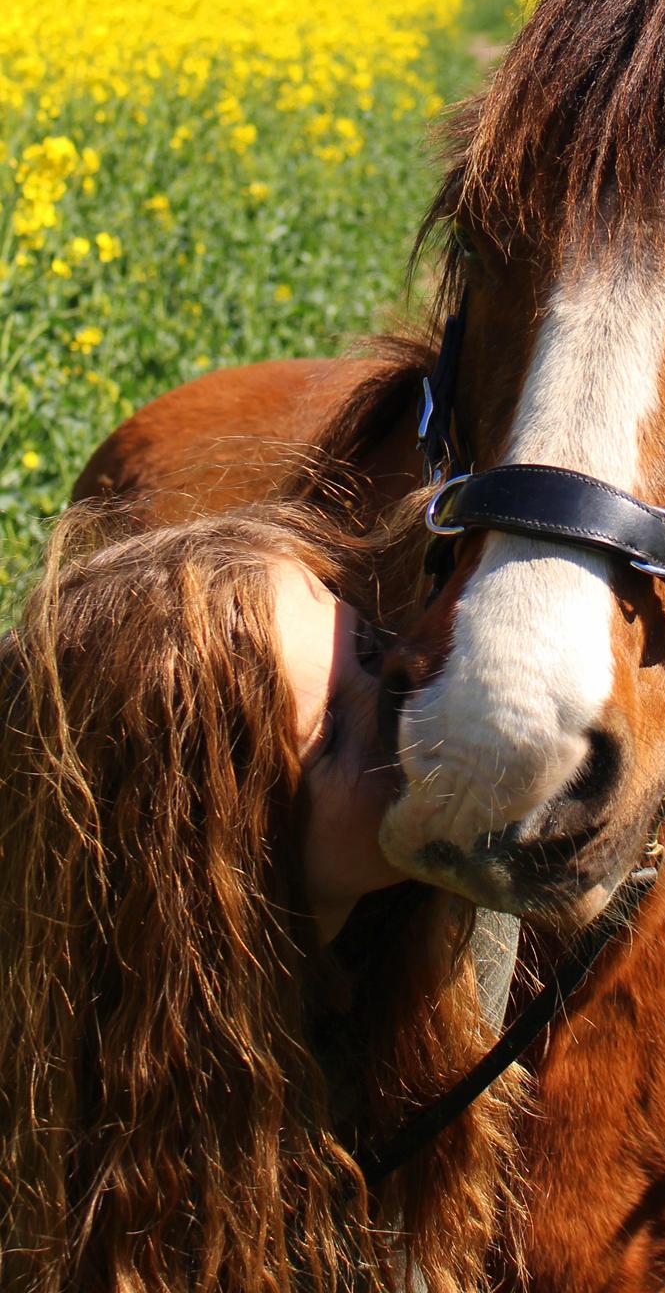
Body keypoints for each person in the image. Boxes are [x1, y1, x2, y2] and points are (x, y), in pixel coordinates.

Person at [0, 503, 521, 1293]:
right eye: (332, 742)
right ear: (202, 887)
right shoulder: (91, 1189)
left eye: (374, 648)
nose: (406, 711)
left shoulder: (421, 966)